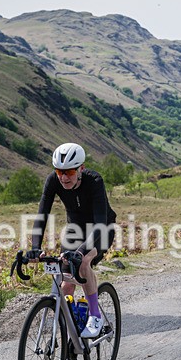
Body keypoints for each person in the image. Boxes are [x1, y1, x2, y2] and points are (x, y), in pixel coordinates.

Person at [27, 143, 117, 339]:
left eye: (69, 172)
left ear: (81, 169)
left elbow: (100, 223)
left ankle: (94, 315)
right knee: (66, 278)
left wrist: (82, 251)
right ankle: (73, 324)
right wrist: (35, 247)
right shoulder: (53, 180)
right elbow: (42, 214)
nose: (63, 177)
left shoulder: (94, 181)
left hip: (101, 228)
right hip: (74, 229)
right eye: (59, 171)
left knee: (83, 262)